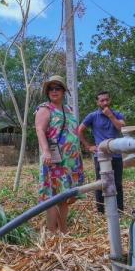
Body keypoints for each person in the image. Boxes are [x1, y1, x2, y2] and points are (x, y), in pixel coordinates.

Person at [35, 75, 84, 233]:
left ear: (64, 91)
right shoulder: (45, 109)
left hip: (70, 160)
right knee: (52, 196)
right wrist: (46, 151)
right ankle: (52, 234)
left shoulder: (68, 109)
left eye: (57, 88)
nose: (54, 91)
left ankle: (63, 231)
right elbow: (40, 130)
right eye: (51, 88)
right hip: (54, 160)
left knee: (64, 196)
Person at [77, 91, 125, 213]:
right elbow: (79, 130)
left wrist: (110, 115)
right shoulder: (92, 116)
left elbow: (121, 128)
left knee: (117, 183)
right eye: (102, 100)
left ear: (110, 100)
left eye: (106, 100)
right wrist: (88, 147)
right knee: (101, 183)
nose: (104, 102)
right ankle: (101, 211)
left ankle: (119, 211)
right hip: (101, 156)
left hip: (116, 155)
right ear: (97, 102)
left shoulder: (117, 114)